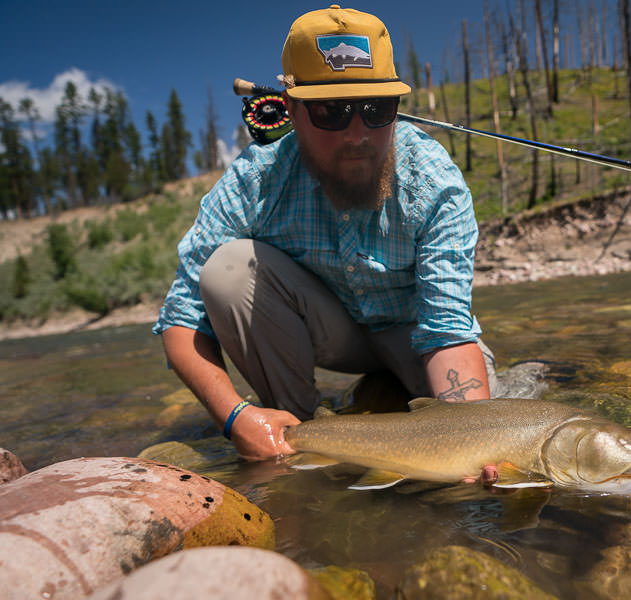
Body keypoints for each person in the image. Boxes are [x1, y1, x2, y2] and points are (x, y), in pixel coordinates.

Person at [153, 5, 491, 461]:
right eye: (331, 111)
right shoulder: (256, 181)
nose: (358, 133)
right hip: (333, 335)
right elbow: (182, 320)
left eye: (377, 109)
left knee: (484, 437)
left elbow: (447, 330)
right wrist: (234, 418)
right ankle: (296, 432)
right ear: (290, 109)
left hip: (417, 336)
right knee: (227, 270)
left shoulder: (434, 183)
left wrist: (474, 446)